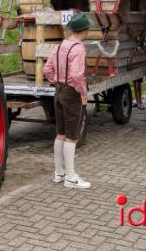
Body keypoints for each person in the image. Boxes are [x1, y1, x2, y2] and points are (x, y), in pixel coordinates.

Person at [43, 13, 92, 189]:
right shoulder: (78, 49)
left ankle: (59, 173)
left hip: (58, 90)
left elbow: (47, 69)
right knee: (72, 136)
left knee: (60, 134)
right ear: (84, 30)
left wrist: (56, 81)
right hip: (72, 93)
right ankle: (71, 178)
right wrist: (83, 92)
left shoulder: (60, 46)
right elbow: (77, 75)